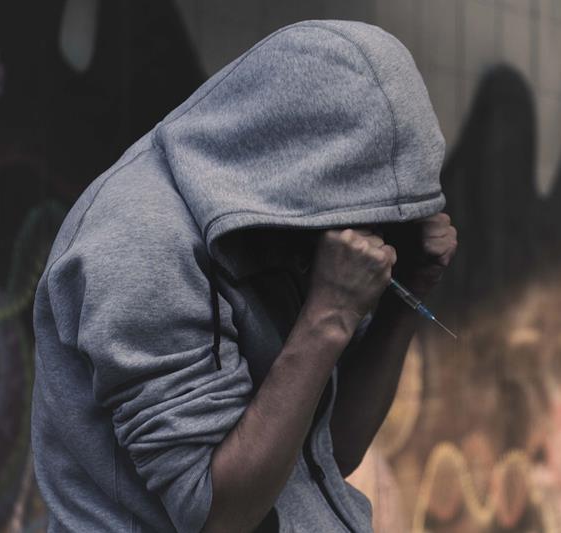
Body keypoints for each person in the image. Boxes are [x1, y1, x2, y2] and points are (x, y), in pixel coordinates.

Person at [31, 19, 457, 533]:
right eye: (359, 209)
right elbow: (218, 513)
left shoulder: (286, 229)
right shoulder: (139, 245)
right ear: (296, 169)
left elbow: (330, 453)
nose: (365, 236)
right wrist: (329, 315)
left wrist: (401, 300)